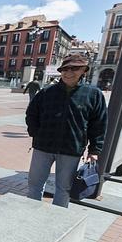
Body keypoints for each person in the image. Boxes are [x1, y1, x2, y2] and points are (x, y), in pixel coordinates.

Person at [26, 54, 107, 208]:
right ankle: (31, 215)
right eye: (65, 69)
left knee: (63, 189)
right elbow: (31, 114)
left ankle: (57, 220)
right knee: (34, 185)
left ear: (84, 70)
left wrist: (94, 149)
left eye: (75, 68)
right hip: (43, 147)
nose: (69, 72)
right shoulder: (46, 92)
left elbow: (99, 123)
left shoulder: (93, 94)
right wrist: (35, 133)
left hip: (71, 150)